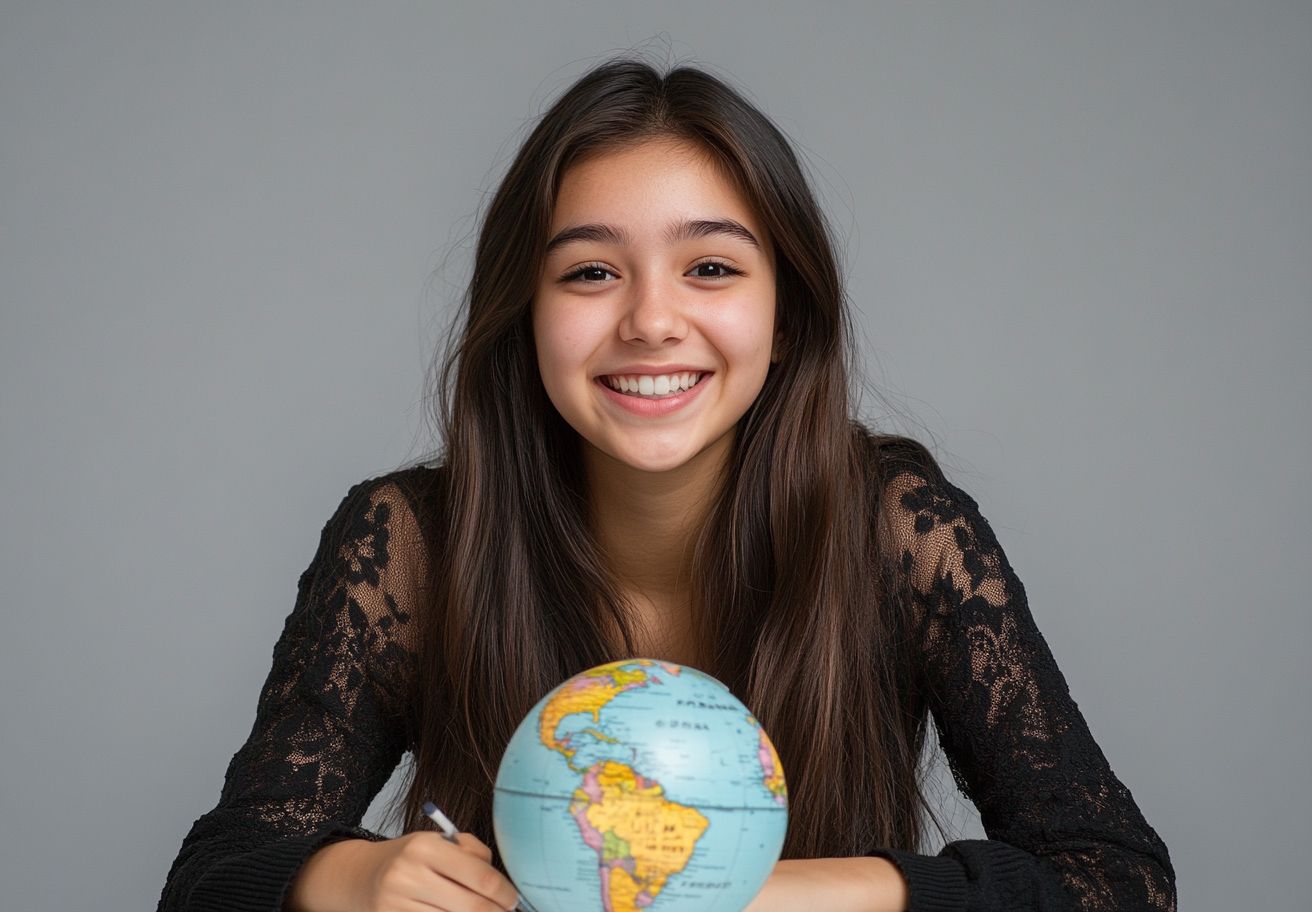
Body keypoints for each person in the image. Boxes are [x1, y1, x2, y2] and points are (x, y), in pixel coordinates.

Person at [155, 56, 1176, 912]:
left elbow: (1116, 879)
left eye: (712, 269)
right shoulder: (411, 542)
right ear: (524, 319)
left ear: (787, 324)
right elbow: (209, 880)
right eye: (591, 272)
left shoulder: (899, 534)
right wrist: (354, 876)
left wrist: (790, 891)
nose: (649, 320)